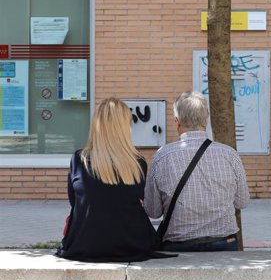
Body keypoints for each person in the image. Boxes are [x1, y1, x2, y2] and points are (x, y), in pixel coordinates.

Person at [56, 98, 164, 262]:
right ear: (124, 127)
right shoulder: (138, 163)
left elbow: (75, 203)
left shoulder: (79, 159)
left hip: (85, 243)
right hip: (131, 243)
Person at [144, 91, 250, 252]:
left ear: (176, 121)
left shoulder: (162, 157)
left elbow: (153, 212)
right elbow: (242, 202)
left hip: (179, 245)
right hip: (224, 243)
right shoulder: (230, 154)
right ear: (206, 120)